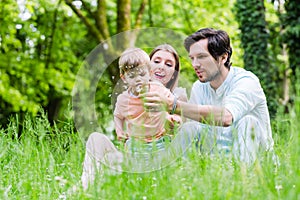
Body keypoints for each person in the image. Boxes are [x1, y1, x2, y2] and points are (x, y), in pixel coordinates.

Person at [141, 28, 275, 163]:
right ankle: (161, 170)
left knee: (248, 122)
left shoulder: (246, 81)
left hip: (257, 163)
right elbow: (194, 132)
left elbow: (227, 117)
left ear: (223, 57)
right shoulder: (199, 88)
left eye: (201, 57)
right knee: (190, 127)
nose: (195, 64)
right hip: (218, 164)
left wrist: (172, 105)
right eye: (192, 58)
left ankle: (246, 178)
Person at [80, 47, 182, 190]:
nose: (161, 67)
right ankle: (85, 188)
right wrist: (120, 130)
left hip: (159, 149)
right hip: (134, 149)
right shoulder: (124, 98)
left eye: (168, 64)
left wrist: (172, 118)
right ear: (125, 77)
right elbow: (118, 115)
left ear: (148, 73)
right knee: (95, 139)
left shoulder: (168, 95)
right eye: (157, 61)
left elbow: (179, 116)